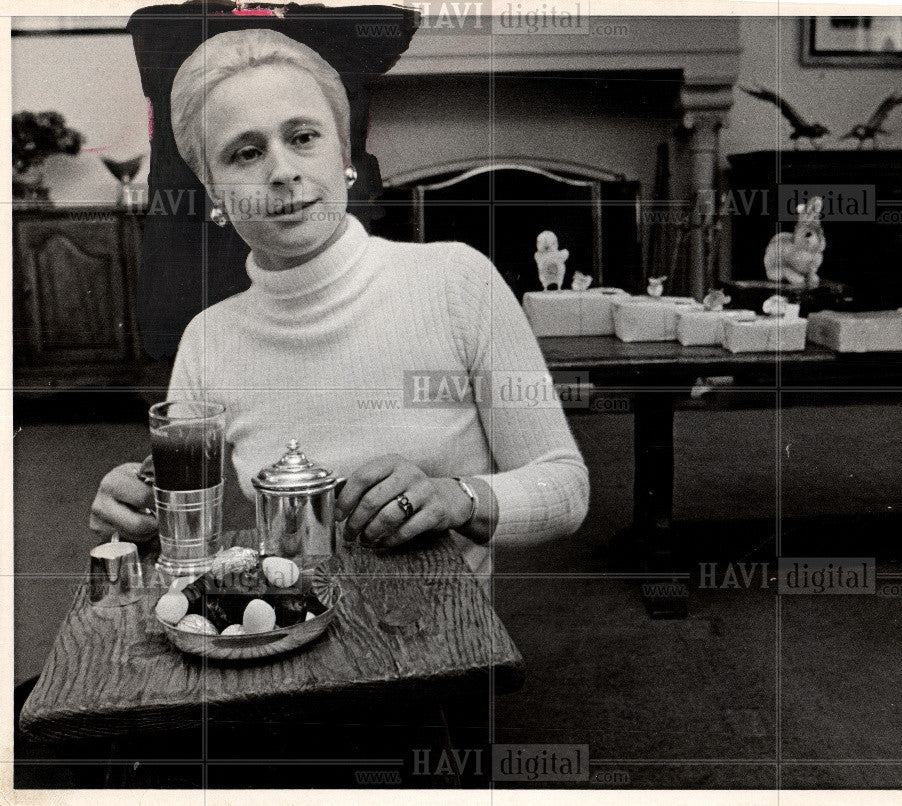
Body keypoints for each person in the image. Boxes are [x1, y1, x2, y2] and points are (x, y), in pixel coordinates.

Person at [89, 28, 589, 575]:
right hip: (284, 634)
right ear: (213, 190)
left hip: (441, 642)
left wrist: (456, 497)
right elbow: (177, 520)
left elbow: (565, 487)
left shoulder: (458, 282)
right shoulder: (209, 339)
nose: (282, 172)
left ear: (345, 154)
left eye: (303, 137)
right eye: (246, 152)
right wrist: (134, 513)